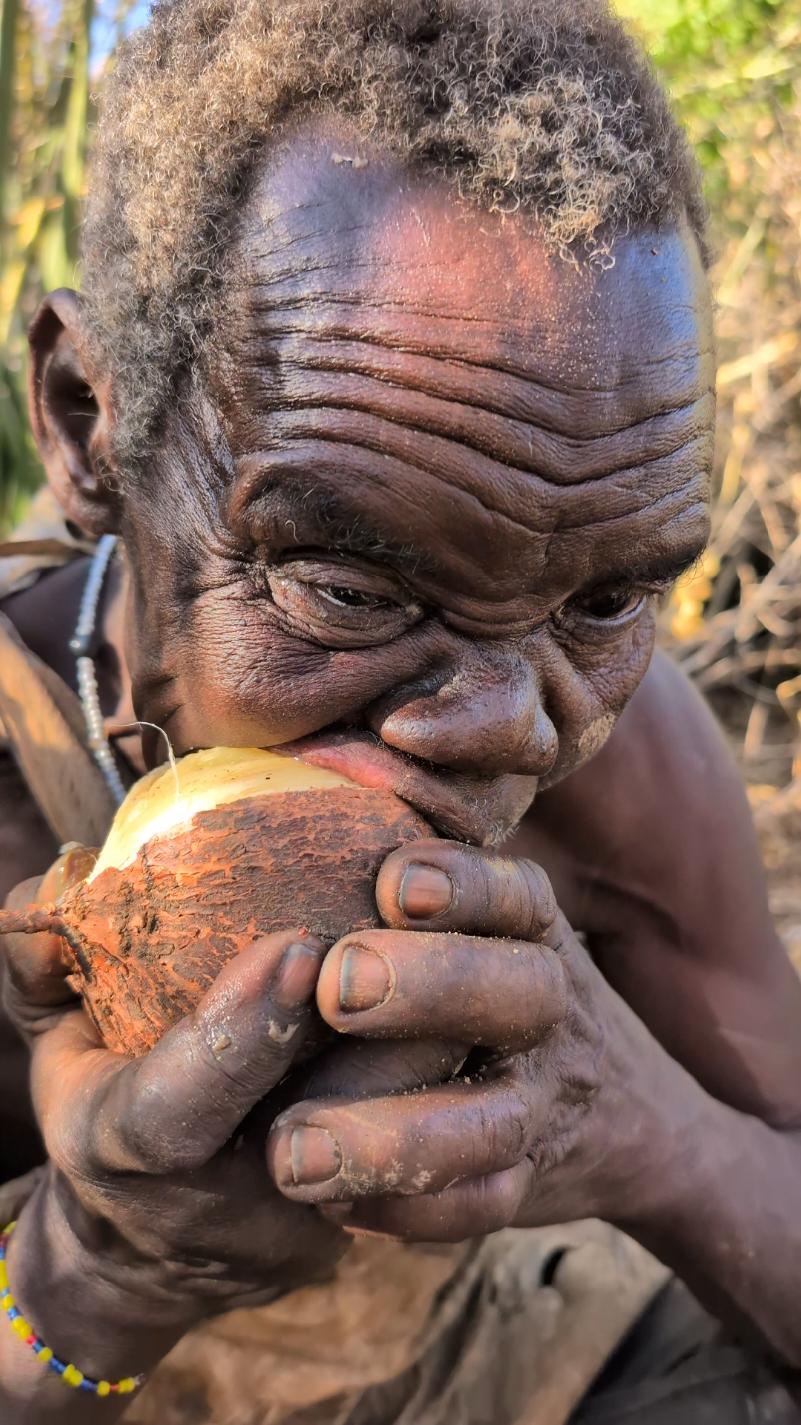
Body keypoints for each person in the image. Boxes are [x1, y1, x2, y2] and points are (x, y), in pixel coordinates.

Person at [0, 0, 800, 1420]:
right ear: (84, 420)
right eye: (350, 589)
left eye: (604, 602)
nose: (508, 731)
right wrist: (99, 1284)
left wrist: (639, 1129)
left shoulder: (635, 766)